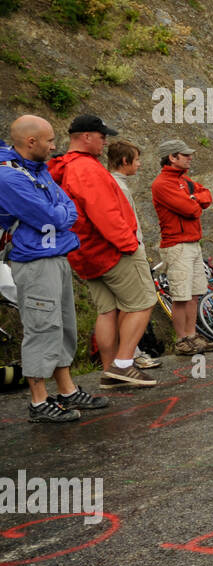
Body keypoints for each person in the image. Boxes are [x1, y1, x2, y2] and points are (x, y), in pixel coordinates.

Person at [0, 115, 107, 422]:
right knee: (41, 328)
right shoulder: (8, 177)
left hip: (56, 257)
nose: (53, 146)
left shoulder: (37, 169)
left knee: (63, 327)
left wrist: (59, 213)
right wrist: (59, 214)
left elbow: (68, 208)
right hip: (32, 262)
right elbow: (55, 217)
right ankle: (38, 401)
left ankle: (67, 389)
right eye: (48, 141)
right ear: (30, 141)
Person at [47, 114, 159, 388]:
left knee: (107, 311)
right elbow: (104, 211)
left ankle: (110, 370)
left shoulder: (62, 167)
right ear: (86, 137)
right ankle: (123, 365)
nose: (105, 141)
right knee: (143, 302)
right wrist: (128, 244)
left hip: (83, 253)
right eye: (101, 136)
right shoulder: (86, 168)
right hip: (110, 250)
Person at [150, 138, 213, 357]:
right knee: (181, 295)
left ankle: (191, 335)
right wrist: (194, 200)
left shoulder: (183, 180)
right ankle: (181, 340)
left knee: (194, 293)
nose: (190, 158)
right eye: (185, 155)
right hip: (176, 245)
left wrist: (193, 197)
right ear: (172, 157)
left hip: (192, 243)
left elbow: (207, 195)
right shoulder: (162, 184)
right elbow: (191, 210)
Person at [107, 140, 162, 369]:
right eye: (136, 160)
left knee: (120, 307)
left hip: (123, 249)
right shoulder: (117, 185)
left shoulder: (114, 183)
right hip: (128, 250)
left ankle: (123, 358)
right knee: (138, 304)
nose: (139, 165)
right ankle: (128, 357)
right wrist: (135, 246)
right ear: (124, 161)